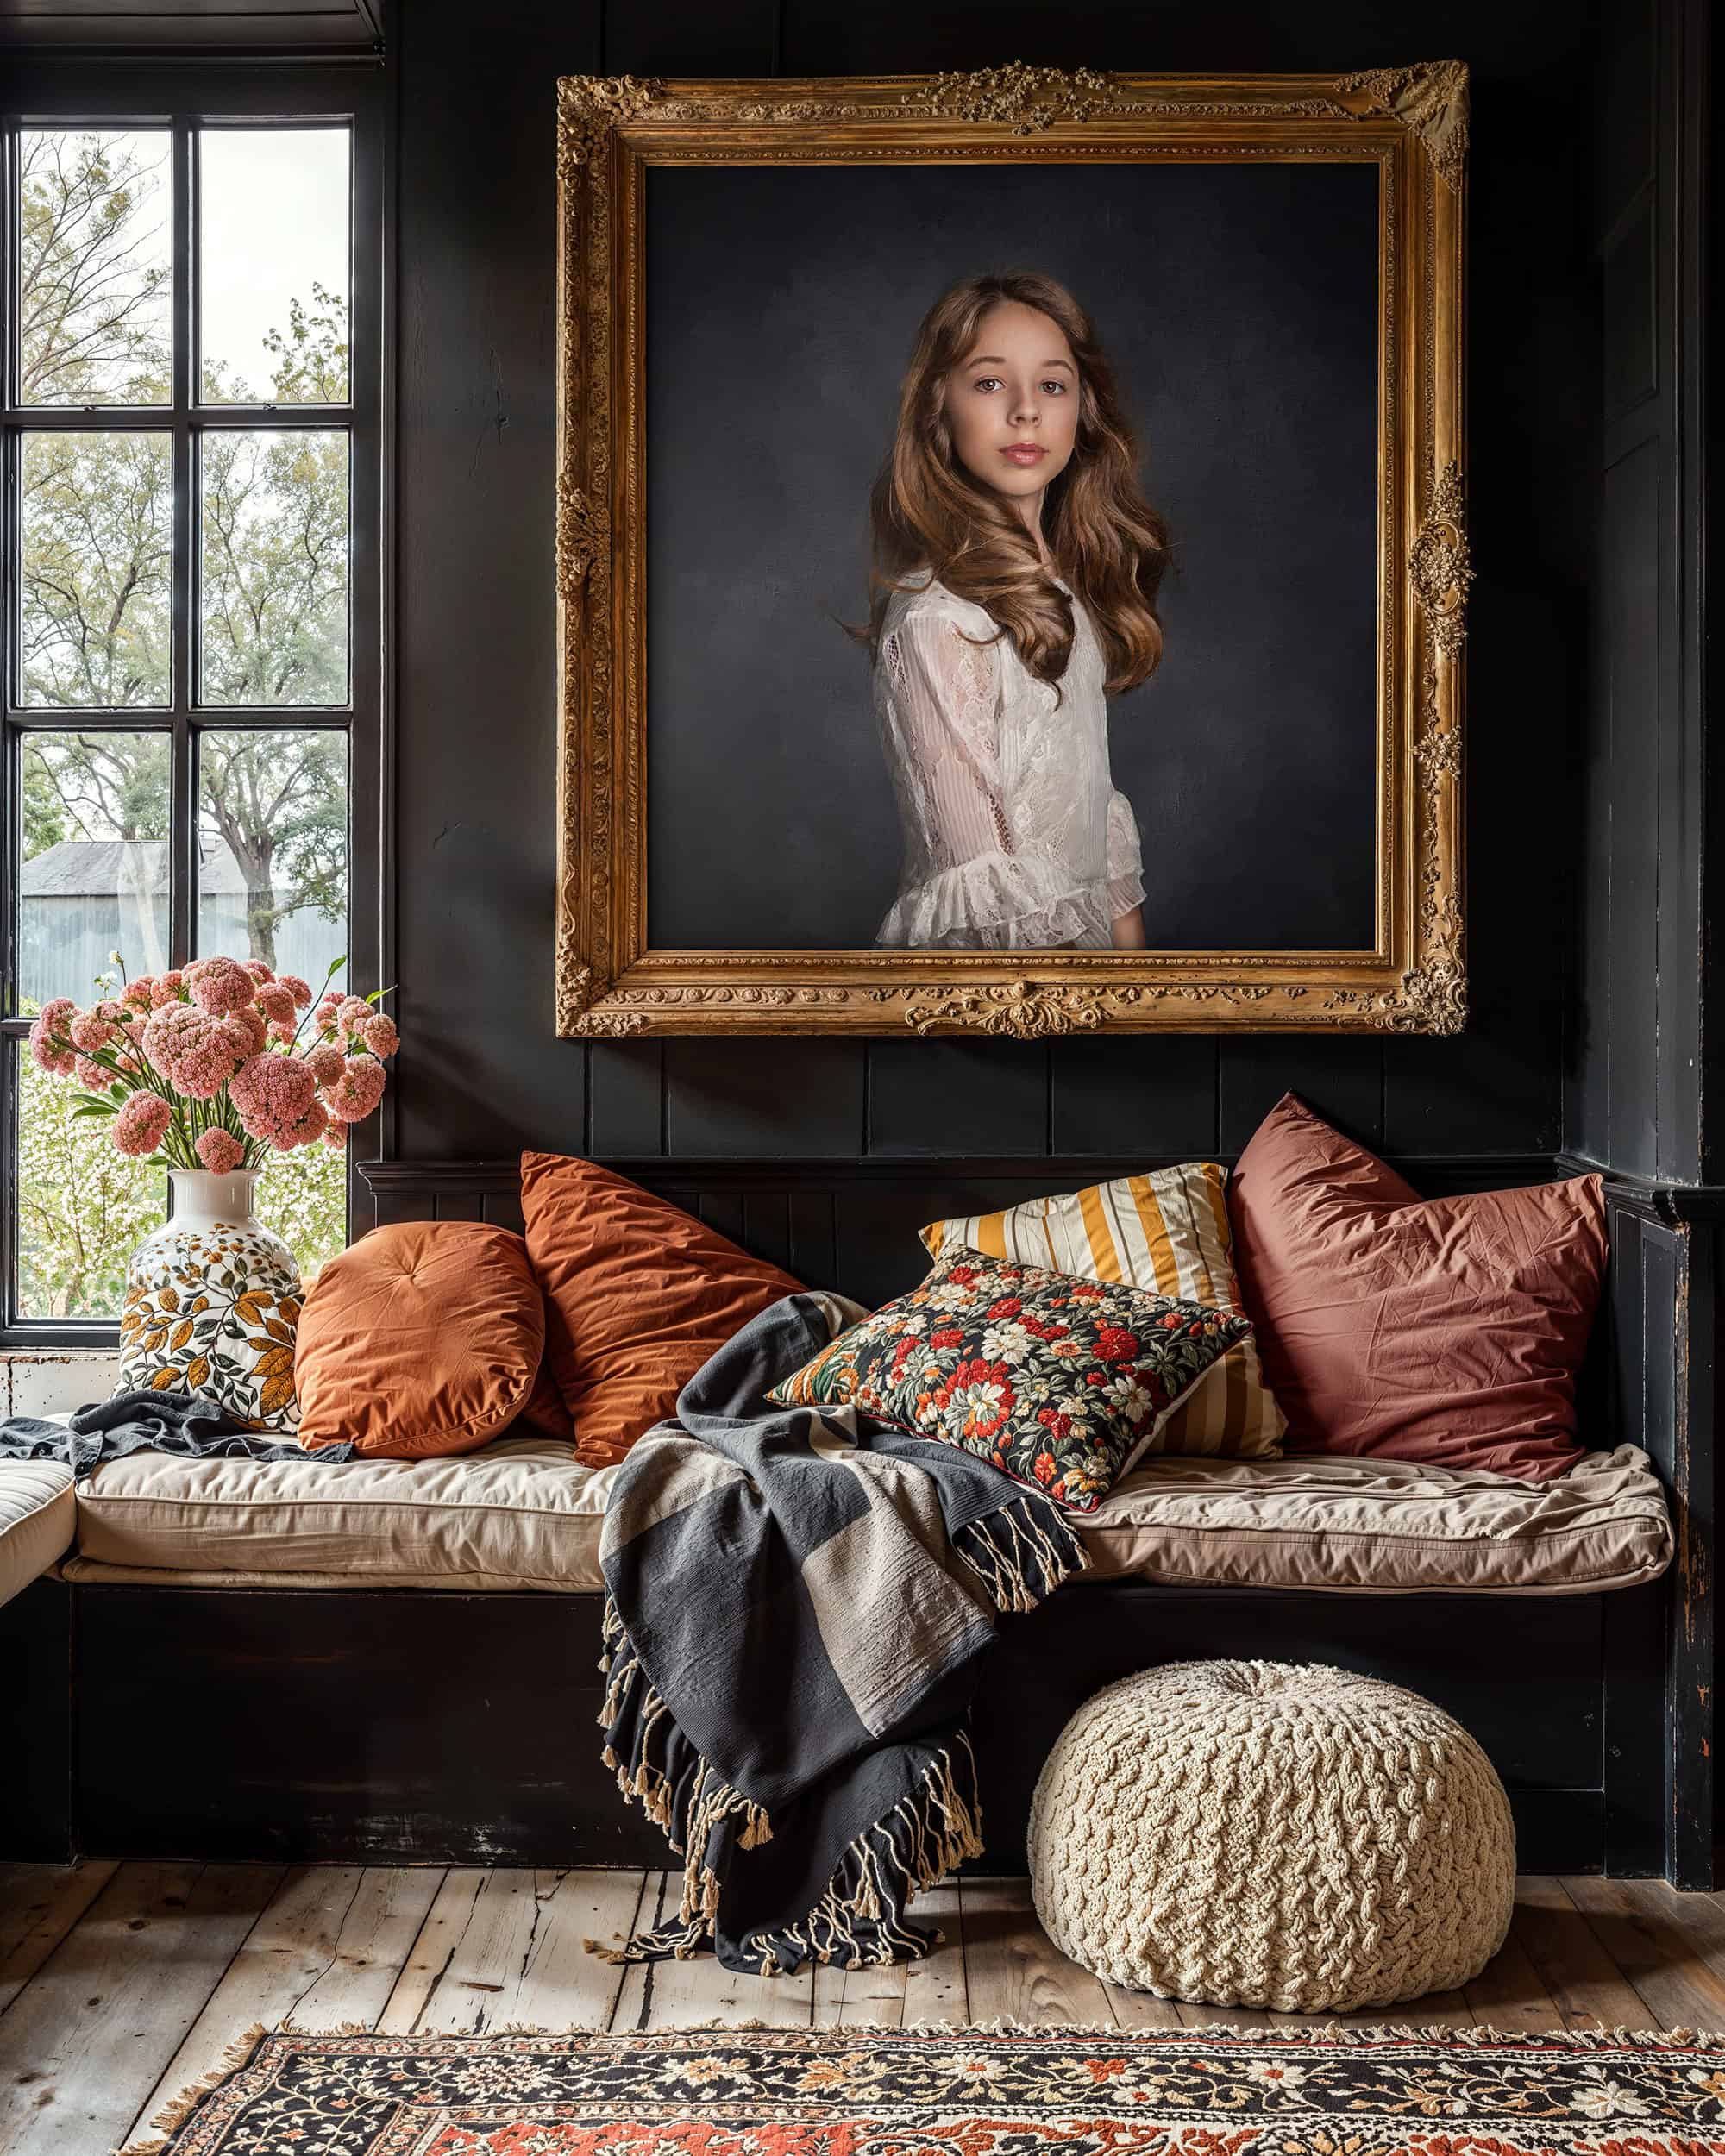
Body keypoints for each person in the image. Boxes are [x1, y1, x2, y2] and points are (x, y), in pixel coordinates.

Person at [850, 270, 1170, 951]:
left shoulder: (1066, 599)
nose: (1025, 410)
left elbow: (1094, 832)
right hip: (995, 1013)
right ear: (941, 406)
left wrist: (1137, 1011)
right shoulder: (939, 622)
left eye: (1052, 385)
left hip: (1088, 1014)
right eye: (990, 383)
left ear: (1082, 411)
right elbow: (984, 890)